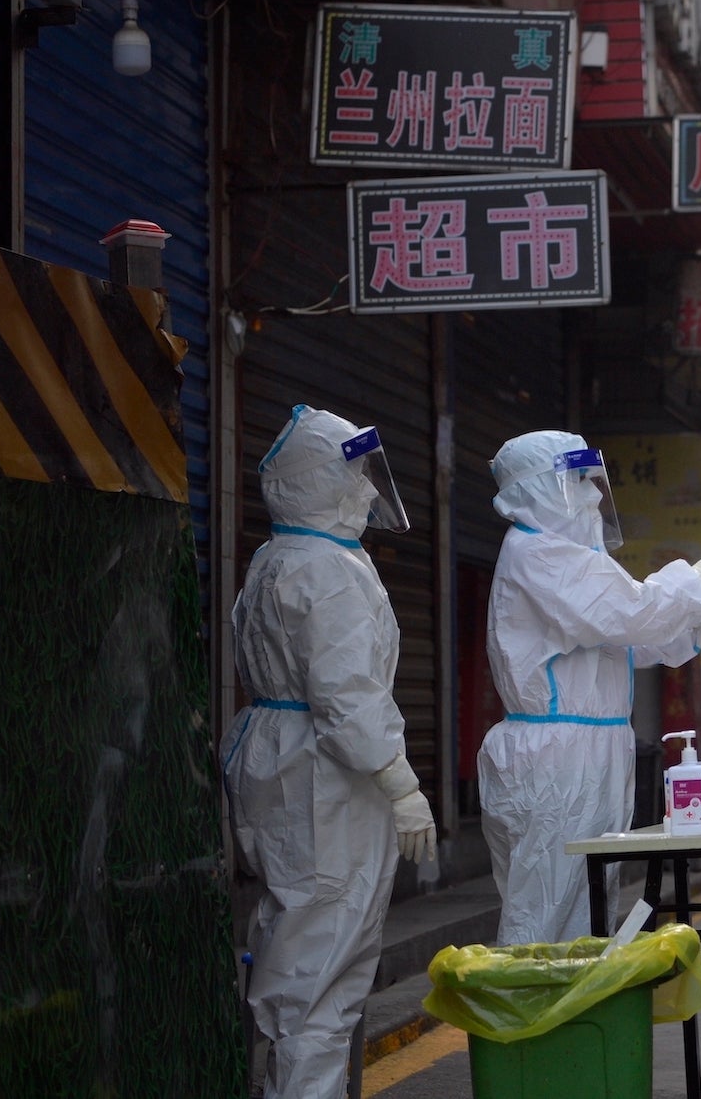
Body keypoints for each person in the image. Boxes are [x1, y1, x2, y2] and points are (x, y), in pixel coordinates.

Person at [222, 405, 436, 1099]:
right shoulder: (328, 569)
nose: (369, 491)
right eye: (355, 474)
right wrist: (401, 784)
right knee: (322, 972)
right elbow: (348, 697)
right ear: (316, 481)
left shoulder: (278, 557)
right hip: (325, 779)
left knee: (303, 953)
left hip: (290, 765)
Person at [479, 430, 701, 945]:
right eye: (579, 481)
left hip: (588, 752)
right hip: (557, 758)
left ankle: (576, 1021)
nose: (595, 495)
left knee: (586, 908)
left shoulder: (567, 559)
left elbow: (632, 643)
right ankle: (536, 1023)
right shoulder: (537, 554)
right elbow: (633, 613)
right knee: (547, 913)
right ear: (541, 488)